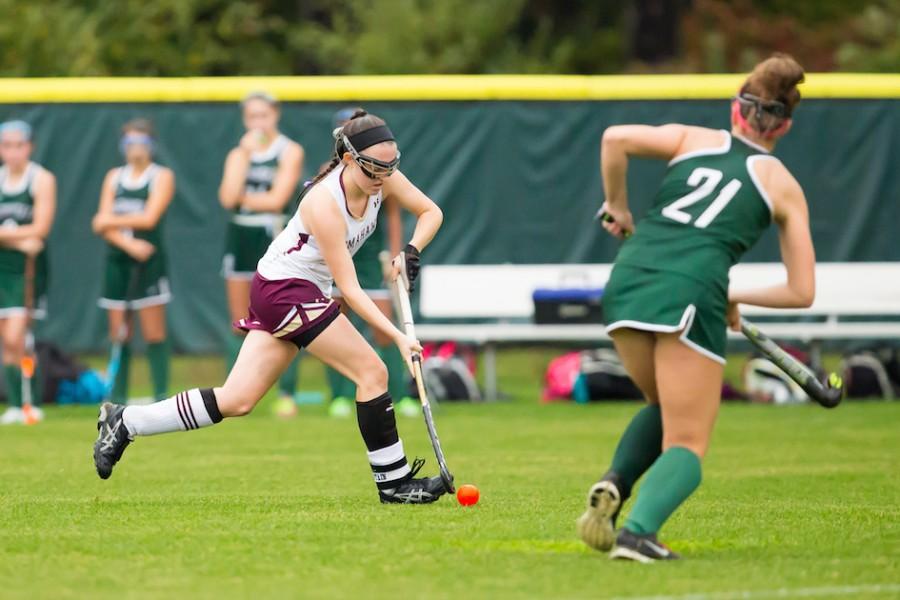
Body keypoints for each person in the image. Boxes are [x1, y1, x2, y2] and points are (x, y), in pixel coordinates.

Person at [93, 110, 449, 504]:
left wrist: (411, 249)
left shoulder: (380, 174)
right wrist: (399, 337)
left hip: (294, 288)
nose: (382, 179)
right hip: (285, 289)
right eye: (374, 170)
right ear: (350, 159)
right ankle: (394, 484)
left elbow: (431, 211)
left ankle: (125, 421)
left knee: (237, 399)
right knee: (372, 371)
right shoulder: (324, 203)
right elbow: (348, 285)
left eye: (389, 168)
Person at [576, 54, 814, 561]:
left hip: (629, 278)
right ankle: (638, 534)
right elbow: (800, 291)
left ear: (737, 109)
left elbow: (614, 137)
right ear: (784, 126)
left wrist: (617, 206)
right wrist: (732, 295)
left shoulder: (693, 139)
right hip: (692, 292)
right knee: (689, 441)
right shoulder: (783, 185)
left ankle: (616, 483)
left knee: (664, 409)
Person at [324, 107, 416, 419]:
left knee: (385, 327)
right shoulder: (328, 176)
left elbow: (393, 215)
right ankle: (339, 395)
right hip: (338, 259)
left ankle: (401, 395)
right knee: (334, 325)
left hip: (369, 258)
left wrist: (396, 253)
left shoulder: (381, 170)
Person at [218, 91, 304, 410]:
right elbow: (227, 200)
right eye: (252, 116)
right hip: (239, 234)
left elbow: (277, 199)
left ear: (275, 115)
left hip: (274, 233)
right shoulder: (238, 153)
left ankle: (286, 394)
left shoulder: (289, 150)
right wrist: (244, 157)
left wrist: (245, 198)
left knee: (281, 316)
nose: (258, 123)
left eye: (263, 115)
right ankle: (230, 394)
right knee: (239, 319)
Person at [93, 118, 175, 404]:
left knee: (154, 332)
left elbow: (148, 217)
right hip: (119, 260)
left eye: (141, 142)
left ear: (151, 145)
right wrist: (128, 242)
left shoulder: (160, 176)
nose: (135, 149)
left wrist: (110, 222)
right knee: (119, 332)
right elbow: (98, 222)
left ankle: (162, 396)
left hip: (149, 261)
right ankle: (117, 398)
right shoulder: (114, 177)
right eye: (129, 143)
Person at [0, 120, 56, 425]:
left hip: (27, 271)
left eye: (18, 145)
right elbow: (28, 236)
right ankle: (14, 404)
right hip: (2, 267)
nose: (12, 152)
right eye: (6, 145)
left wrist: (16, 239)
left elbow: (42, 228)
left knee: (17, 337)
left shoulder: (41, 179)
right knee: (5, 340)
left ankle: (31, 402)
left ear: (29, 146)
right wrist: (20, 240)